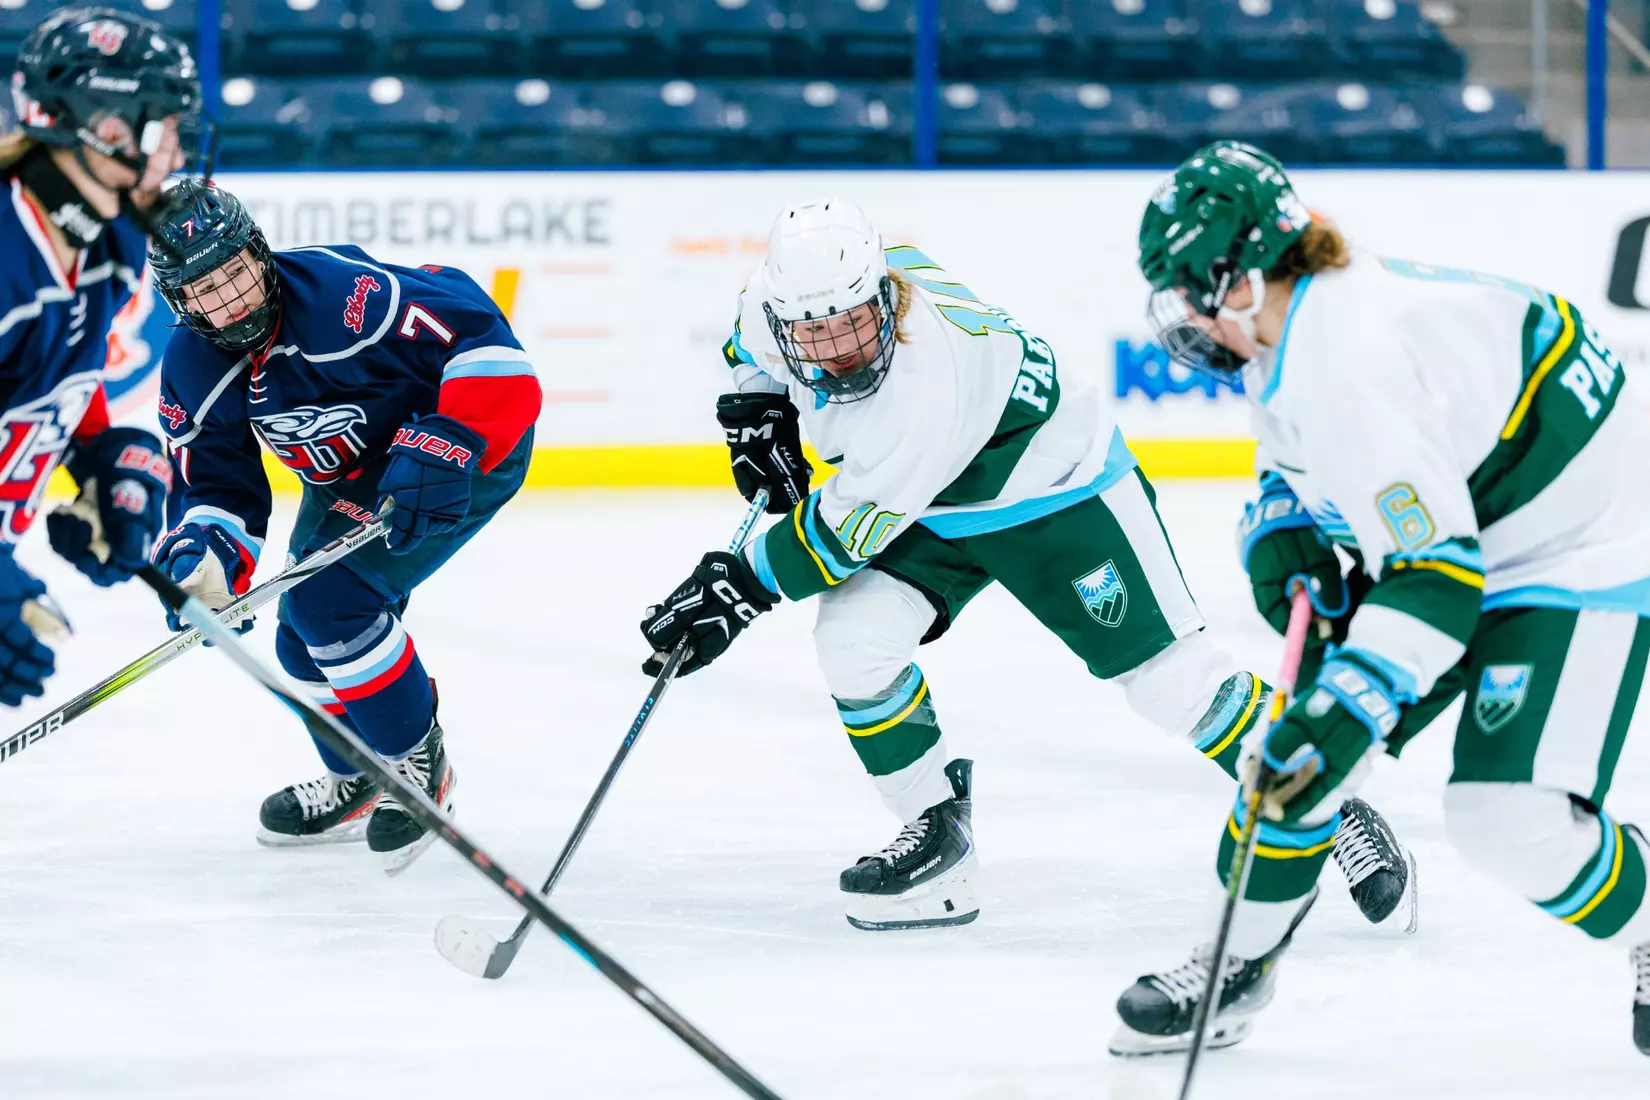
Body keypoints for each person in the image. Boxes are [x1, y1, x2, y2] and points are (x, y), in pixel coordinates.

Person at [640, 197, 1416, 935]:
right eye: (815, 334)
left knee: (1171, 681)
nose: (840, 351)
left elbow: (841, 535)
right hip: (933, 502)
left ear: (883, 295)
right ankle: (936, 832)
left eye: (853, 324)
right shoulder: (783, 302)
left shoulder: (926, 377)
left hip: (1054, 489)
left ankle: (1327, 802)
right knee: (852, 641)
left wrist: (738, 587)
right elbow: (748, 345)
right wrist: (756, 410)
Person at [1113, 140, 1650, 1057]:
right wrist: (1283, 525)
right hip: (1480, 512)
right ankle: (1234, 964)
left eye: (1191, 290)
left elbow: (1438, 575)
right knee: (1293, 757)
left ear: (1242, 276)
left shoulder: (1348, 358)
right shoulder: (1293, 326)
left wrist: (1352, 705)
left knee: (1503, 819)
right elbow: (1304, 461)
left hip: (1579, 543)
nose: (1187, 318)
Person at [146, 180, 542, 874]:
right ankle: (360, 774)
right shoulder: (192, 369)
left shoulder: (345, 298)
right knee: (300, 638)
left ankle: (418, 763)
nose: (232, 299)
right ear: (179, 302)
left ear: (260, 253)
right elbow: (219, 487)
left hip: (457, 452)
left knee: (329, 605)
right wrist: (206, 559)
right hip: (352, 477)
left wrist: (452, 437)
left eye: (237, 272)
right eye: (206, 289)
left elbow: (484, 337)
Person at [0, 6, 205, 706]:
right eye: (164, 129)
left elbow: (51, 364)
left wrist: (97, 454)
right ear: (106, 127)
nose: (175, 155)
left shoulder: (108, 246)